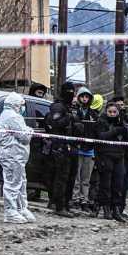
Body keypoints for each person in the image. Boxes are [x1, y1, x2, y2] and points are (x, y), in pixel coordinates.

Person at [0, 93, 35, 224]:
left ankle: (21, 208)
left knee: (20, 182)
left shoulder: (9, 115)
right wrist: (30, 131)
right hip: (12, 155)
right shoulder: (13, 117)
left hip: (16, 156)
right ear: (16, 105)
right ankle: (11, 211)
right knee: (13, 183)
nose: (22, 108)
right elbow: (24, 136)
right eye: (21, 105)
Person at [44, 82, 79, 217]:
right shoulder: (58, 106)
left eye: (73, 91)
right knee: (61, 177)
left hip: (71, 145)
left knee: (70, 177)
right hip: (60, 146)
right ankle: (59, 205)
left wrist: (77, 124)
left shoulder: (70, 107)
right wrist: (68, 119)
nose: (71, 94)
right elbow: (54, 124)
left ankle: (65, 203)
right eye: (69, 91)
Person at [96, 102, 128, 222]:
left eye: (114, 112)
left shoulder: (122, 122)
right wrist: (115, 131)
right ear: (106, 112)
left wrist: (125, 129)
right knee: (106, 183)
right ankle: (106, 208)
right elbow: (101, 136)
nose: (112, 114)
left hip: (119, 156)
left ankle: (116, 209)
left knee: (118, 184)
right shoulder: (101, 121)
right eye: (110, 112)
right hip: (106, 155)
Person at [72, 87, 98, 211]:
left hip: (90, 150)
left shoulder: (94, 114)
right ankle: (75, 199)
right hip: (78, 148)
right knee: (76, 177)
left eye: (87, 97)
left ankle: (84, 200)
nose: (84, 99)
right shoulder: (74, 112)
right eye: (82, 96)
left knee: (86, 179)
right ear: (78, 98)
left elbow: (97, 133)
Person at [112, 96, 128, 216]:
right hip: (116, 155)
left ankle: (121, 209)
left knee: (125, 185)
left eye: (122, 105)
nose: (121, 107)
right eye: (118, 105)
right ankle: (113, 208)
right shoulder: (112, 119)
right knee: (116, 184)